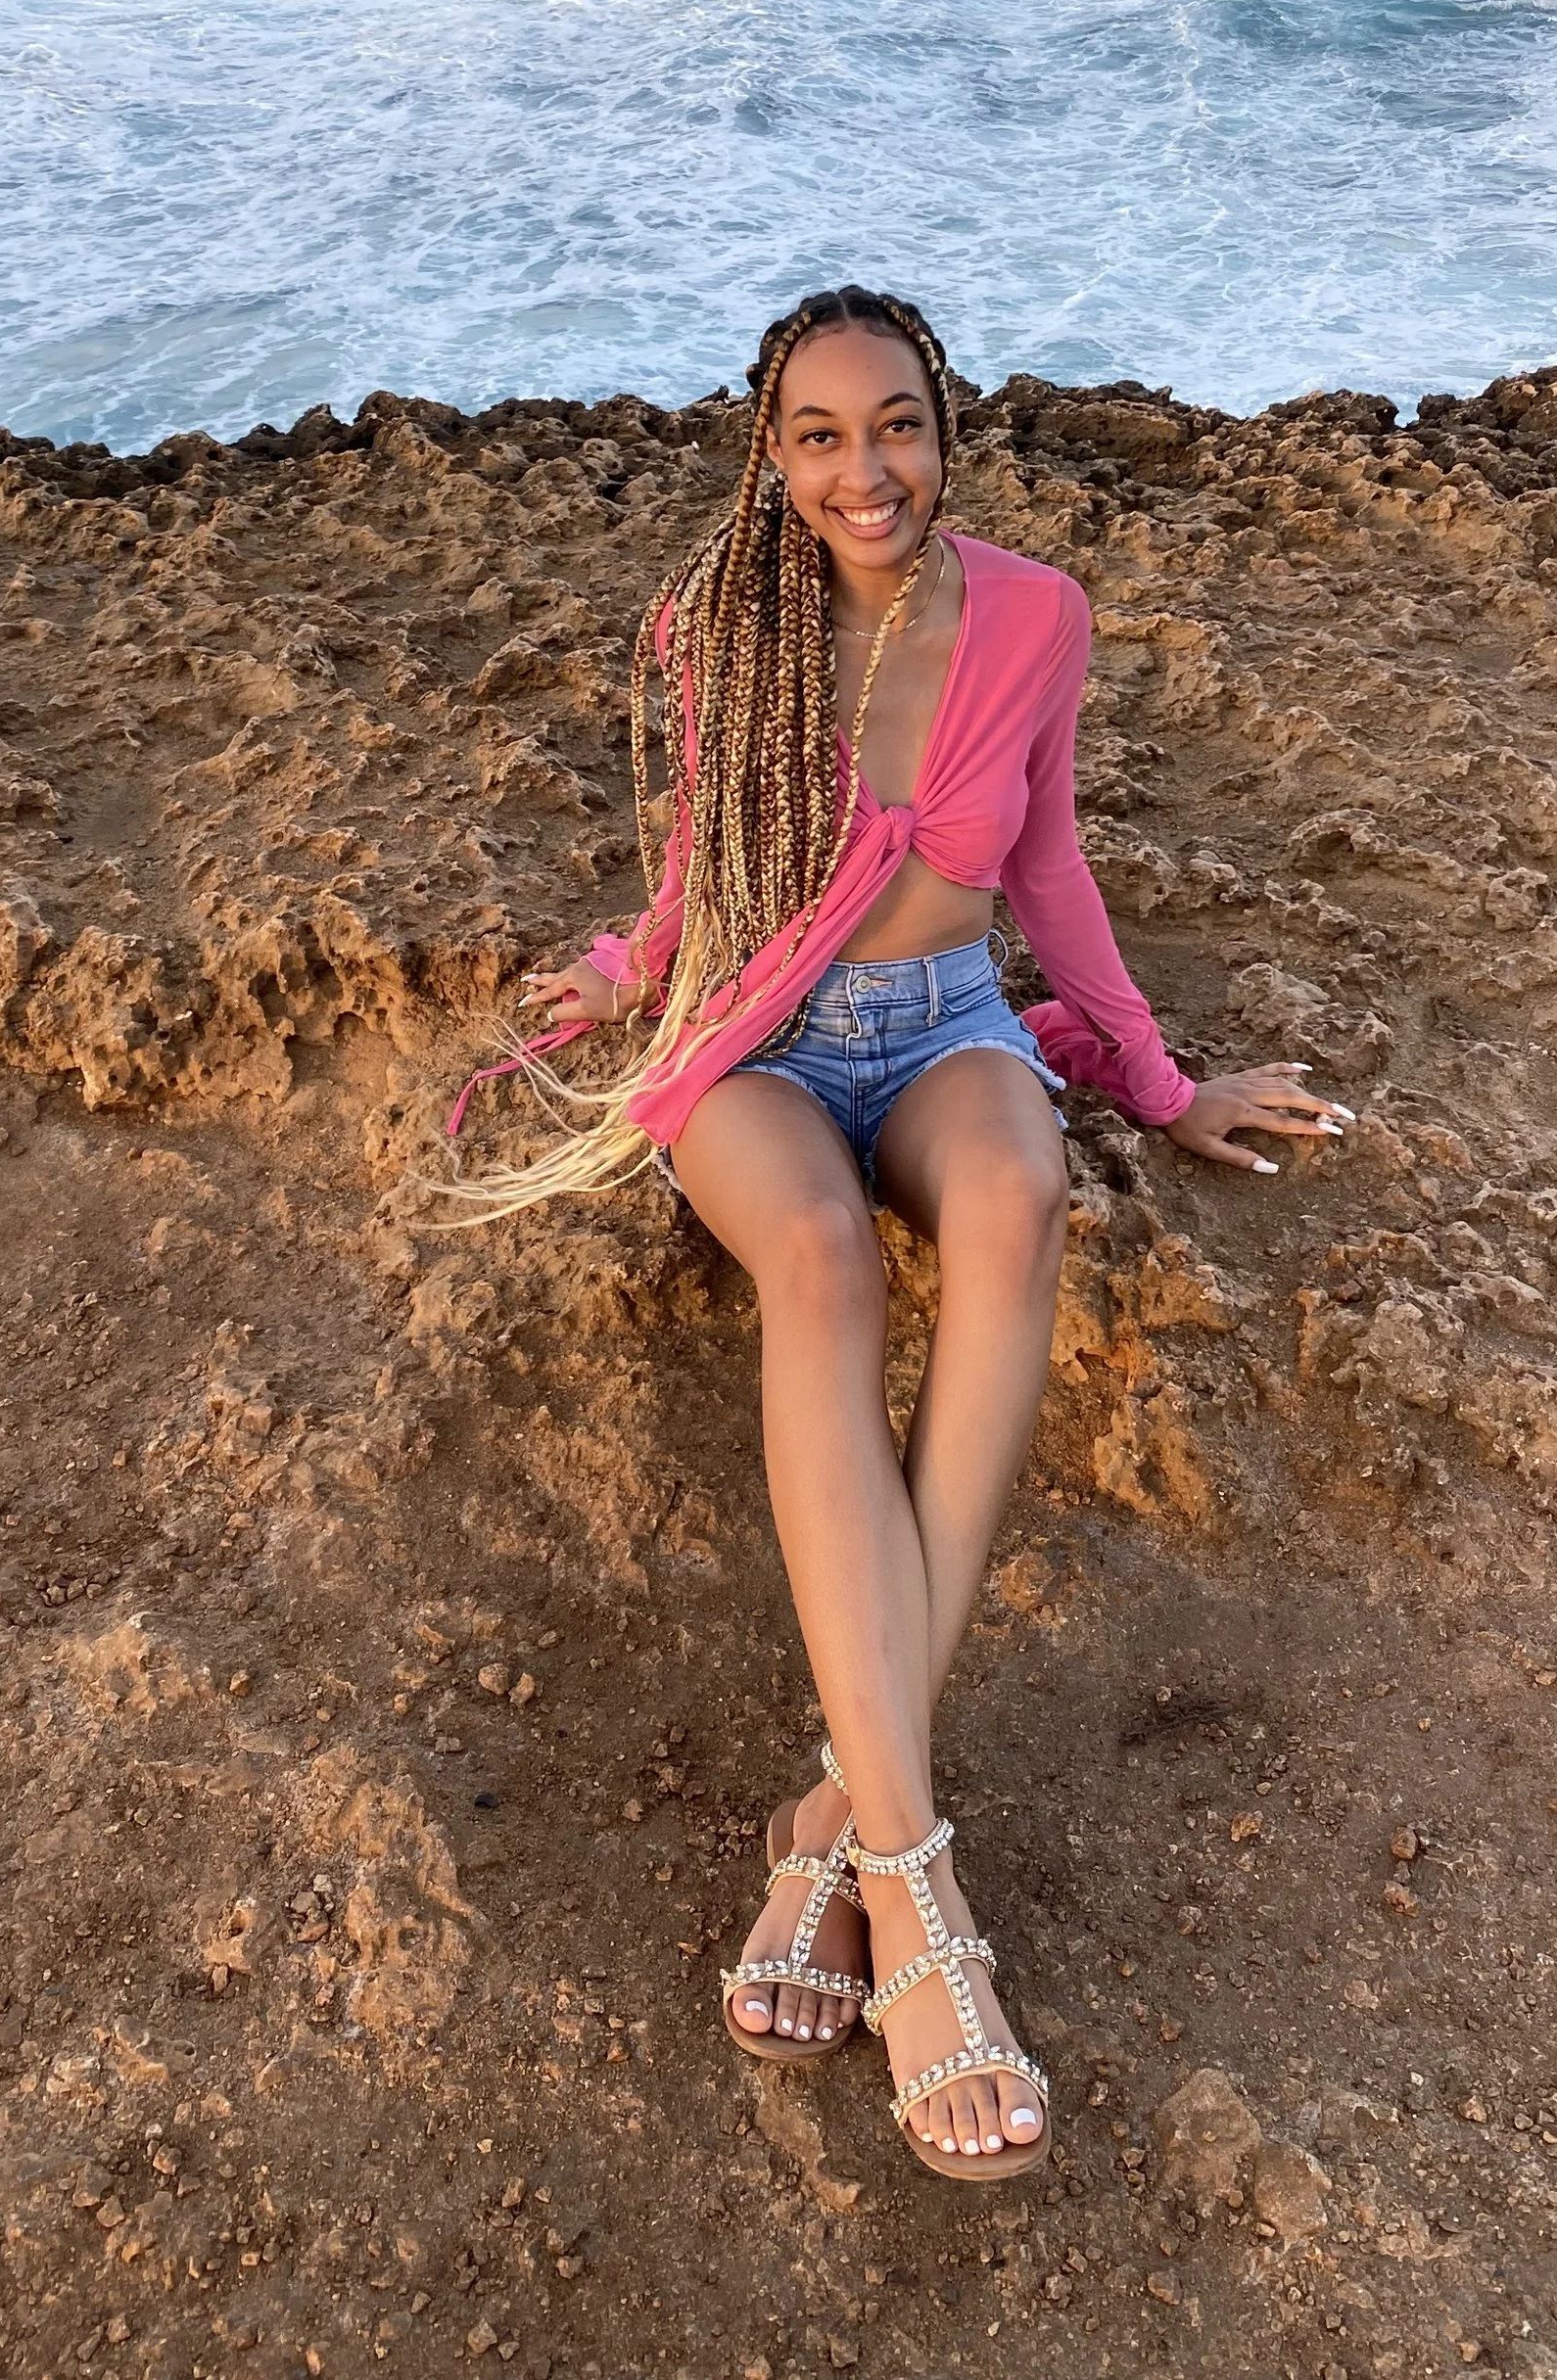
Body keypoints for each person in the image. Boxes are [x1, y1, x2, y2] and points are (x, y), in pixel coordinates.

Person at [444, 286, 1346, 2182]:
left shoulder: (1035, 614)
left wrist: (1159, 1080)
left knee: (1016, 1197)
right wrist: (623, 968)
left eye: (899, 424)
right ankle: (917, 1887)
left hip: (943, 1024)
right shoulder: (728, 623)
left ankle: (833, 1828)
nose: (867, 470)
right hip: (758, 1030)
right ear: (770, 458)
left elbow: (1048, 862)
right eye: (822, 435)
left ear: (948, 428)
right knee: (824, 1262)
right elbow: (706, 859)